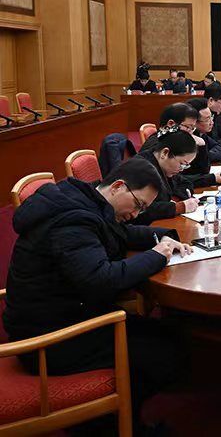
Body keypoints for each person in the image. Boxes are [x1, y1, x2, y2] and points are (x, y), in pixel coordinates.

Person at [3, 158, 192, 432]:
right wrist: (156, 256)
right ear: (118, 187)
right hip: (49, 340)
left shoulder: (83, 200)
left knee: (169, 335)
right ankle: (110, 427)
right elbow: (100, 280)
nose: (136, 214)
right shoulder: (72, 221)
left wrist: (165, 237)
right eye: (138, 205)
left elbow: (119, 234)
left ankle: (117, 418)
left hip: (67, 315)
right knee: (163, 355)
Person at [132, 128, 201, 225]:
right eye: (182, 163)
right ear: (165, 153)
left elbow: (185, 183)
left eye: (186, 165)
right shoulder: (142, 170)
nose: (182, 169)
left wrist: (178, 198)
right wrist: (178, 207)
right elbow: (139, 211)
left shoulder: (163, 165)